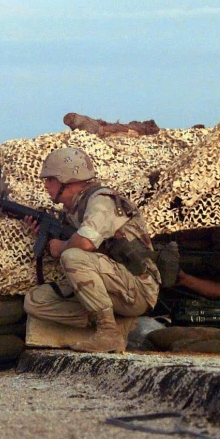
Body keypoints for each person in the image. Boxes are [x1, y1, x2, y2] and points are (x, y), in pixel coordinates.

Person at [23, 147, 160, 353]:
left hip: (138, 287)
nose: (46, 185)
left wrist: (60, 247)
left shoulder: (101, 200)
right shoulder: (74, 211)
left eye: (50, 179)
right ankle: (117, 325)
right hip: (112, 287)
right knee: (34, 301)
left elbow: (86, 242)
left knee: (72, 256)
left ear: (66, 179)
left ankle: (108, 334)